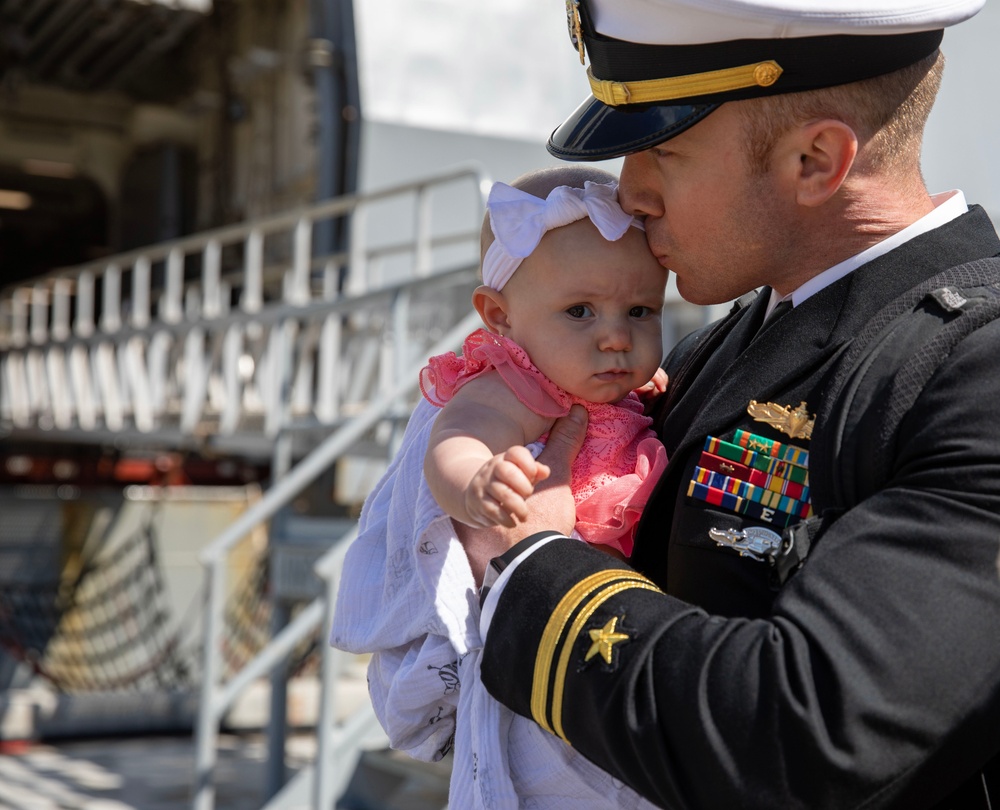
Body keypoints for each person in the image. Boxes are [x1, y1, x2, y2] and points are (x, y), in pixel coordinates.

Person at [462, 1, 1000, 809]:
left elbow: (803, 732)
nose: (630, 193)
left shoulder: (975, 371)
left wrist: (534, 564)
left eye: (662, 151)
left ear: (816, 160)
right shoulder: (717, 346)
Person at [331, 165, 669, 808]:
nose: (616, 337)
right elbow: (454, 442)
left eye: (641, 310)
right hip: (529, 605)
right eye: (580, 311)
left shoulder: (606, 377)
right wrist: (479, 483)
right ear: (500, 317)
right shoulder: (513, 384)